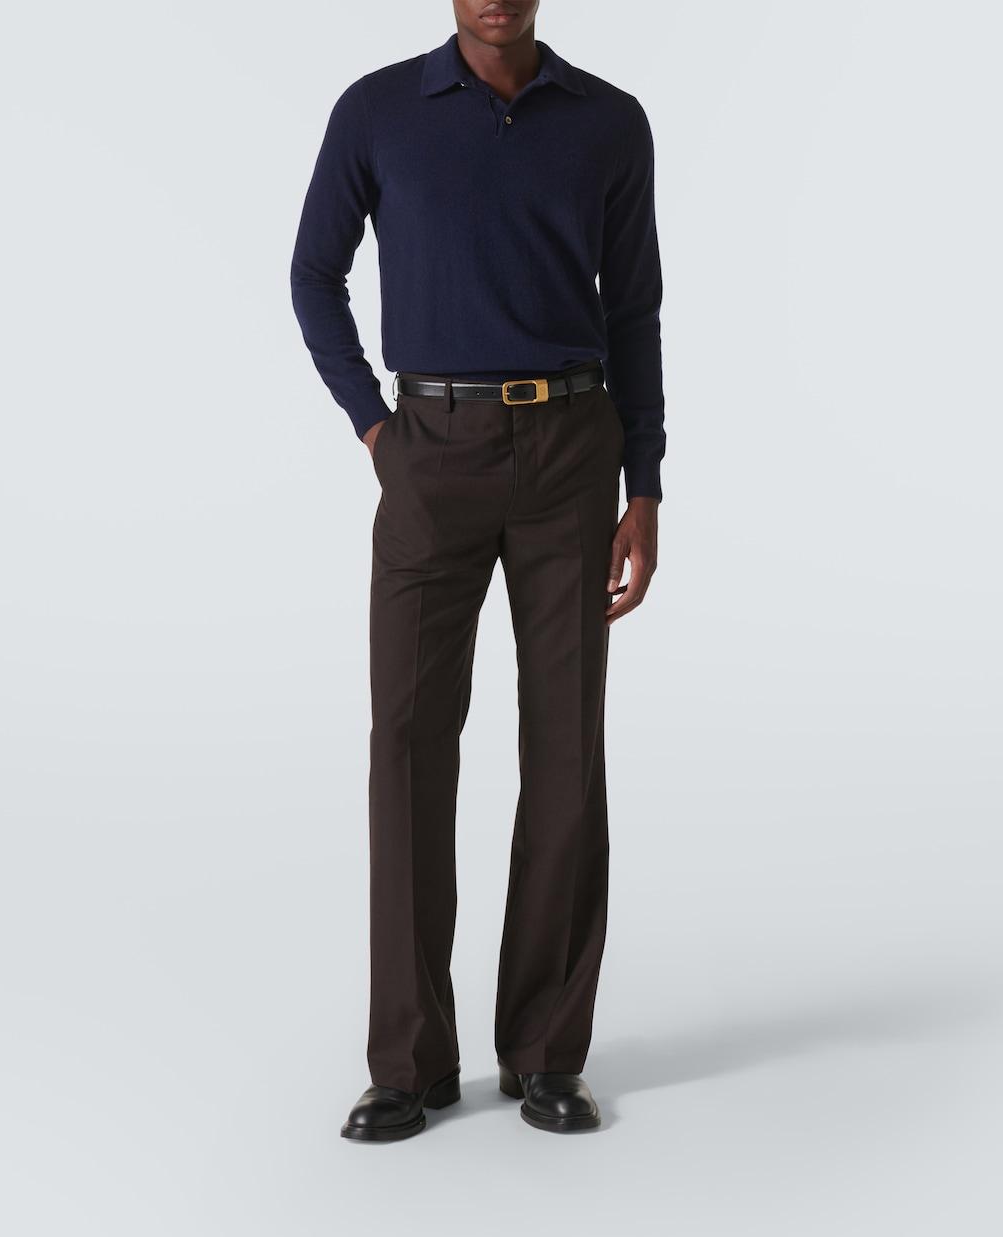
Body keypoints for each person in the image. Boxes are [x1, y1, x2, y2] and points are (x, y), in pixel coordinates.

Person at [290, 0, 664, 1140]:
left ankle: (546, 1054)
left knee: (565, 747)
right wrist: (375, 430)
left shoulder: (609, 122)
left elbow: (634, 308)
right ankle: (408, 1062)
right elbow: (312, 274)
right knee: (407, 743)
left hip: (570, 452)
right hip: (429, 451)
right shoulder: (377, 112)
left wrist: (644, 483)